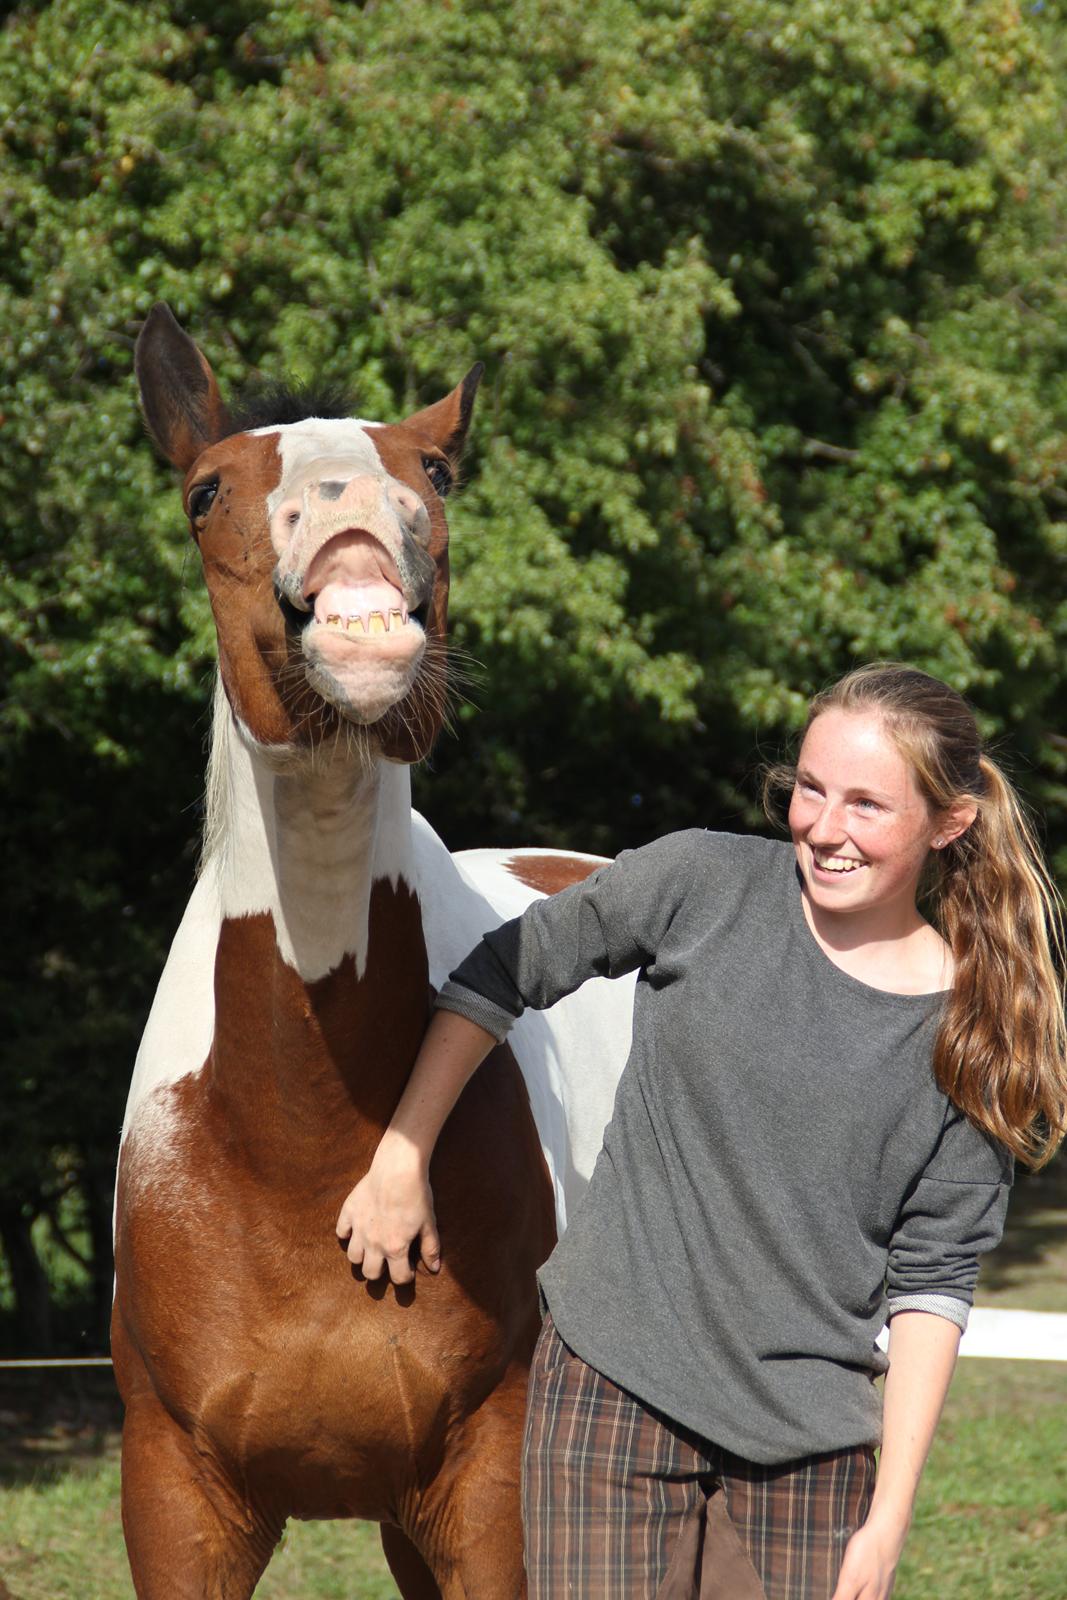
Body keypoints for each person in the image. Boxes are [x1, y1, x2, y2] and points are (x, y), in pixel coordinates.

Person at [336, 663, 1067, 1600]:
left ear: (949, 823)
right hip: (606, 1402)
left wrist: (886, 1521)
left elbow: (933, 1280)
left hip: (809, 1457)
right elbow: (505, 967)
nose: (823, 828)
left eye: (866, 806)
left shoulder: (973, 1031)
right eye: (809, 788)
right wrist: (403, 1150)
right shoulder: (701, 884)